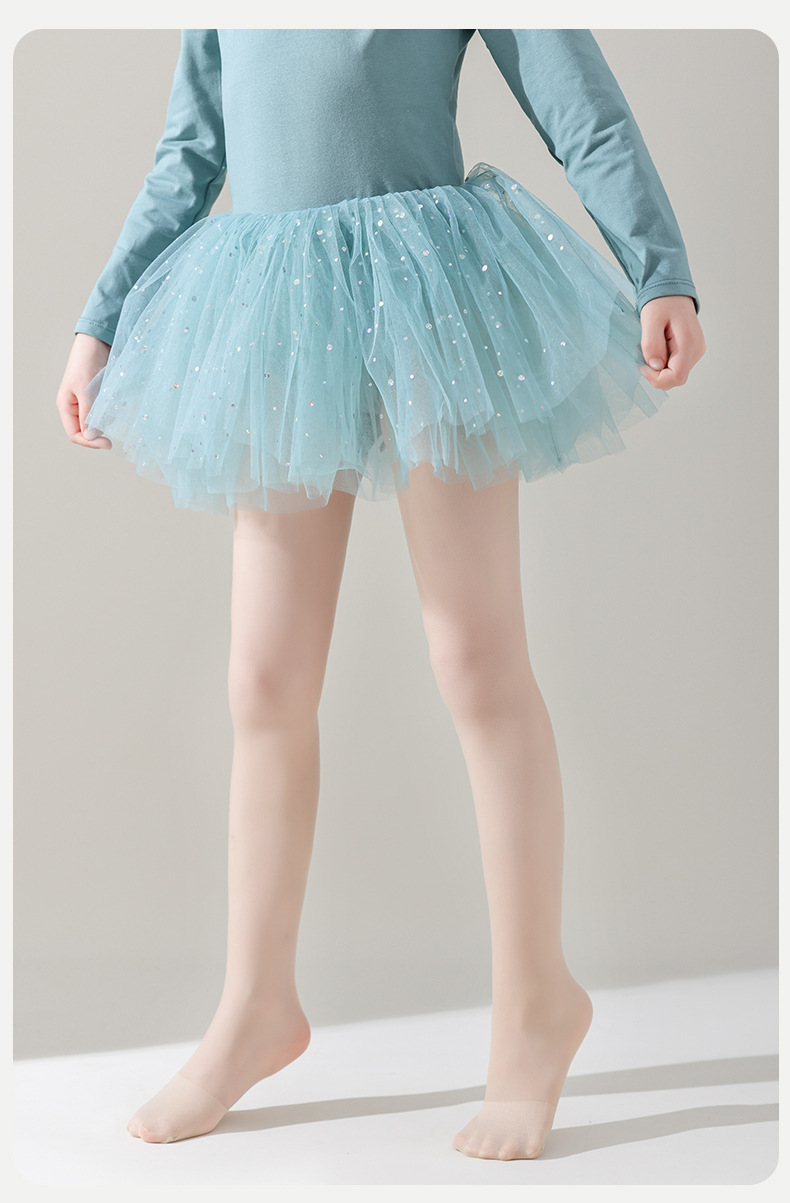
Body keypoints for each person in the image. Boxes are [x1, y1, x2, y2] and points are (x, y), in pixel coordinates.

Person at [55, 28, 706, 1160]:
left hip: (431, 296)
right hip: (274, 304)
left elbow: (577, 101)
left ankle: (535, 1008)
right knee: (262, 681)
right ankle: (256, 1004)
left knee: (475, 656)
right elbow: (192, 145)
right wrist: (101, 317)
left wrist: (660, 268)